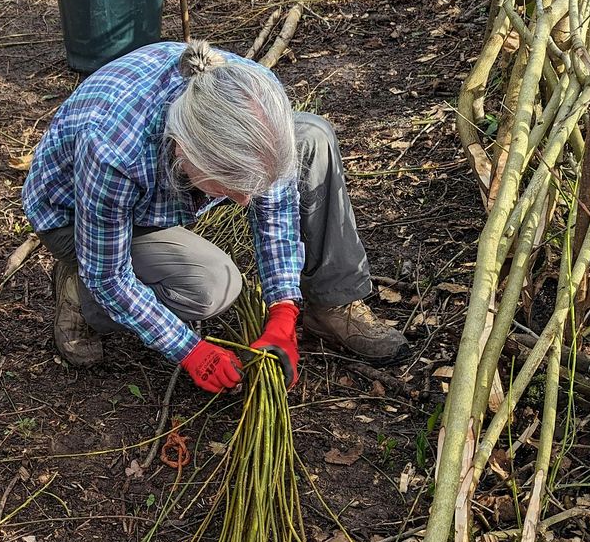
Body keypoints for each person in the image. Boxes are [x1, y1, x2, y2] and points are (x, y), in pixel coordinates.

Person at [22, 40, 408, 388]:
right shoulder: (114, 151)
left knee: (312, 136)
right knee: (212, 286)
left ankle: (330, 303)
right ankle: (78, 291)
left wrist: (283, 309)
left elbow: (274, 209)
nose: (243, 203)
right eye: (230, 186)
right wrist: (188, 349)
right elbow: (110, 276)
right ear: (185, 152)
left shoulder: (253, 90)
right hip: (74, 216)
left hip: (157, 181)